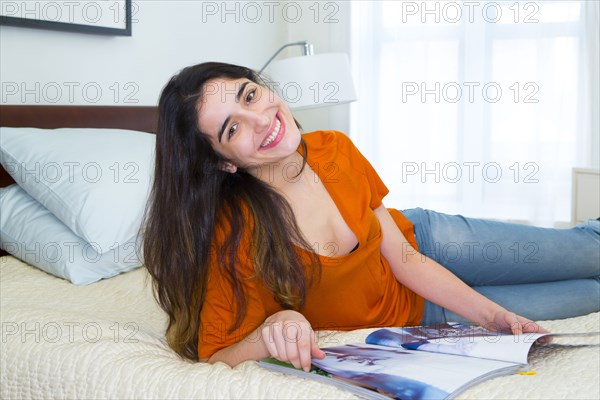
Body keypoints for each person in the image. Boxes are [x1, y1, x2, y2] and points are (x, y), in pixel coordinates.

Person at [142, 62, 600, 372]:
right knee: (587, 295)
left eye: (250, 95)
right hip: (418, 312)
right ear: (223, 161)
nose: (261, 119)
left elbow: (403, 257)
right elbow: (216, 354)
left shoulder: (333, 148)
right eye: (233, 128)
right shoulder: (235, 235)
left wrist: (490, 313)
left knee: (587, 250)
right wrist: (273, 330)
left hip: (429, 242)